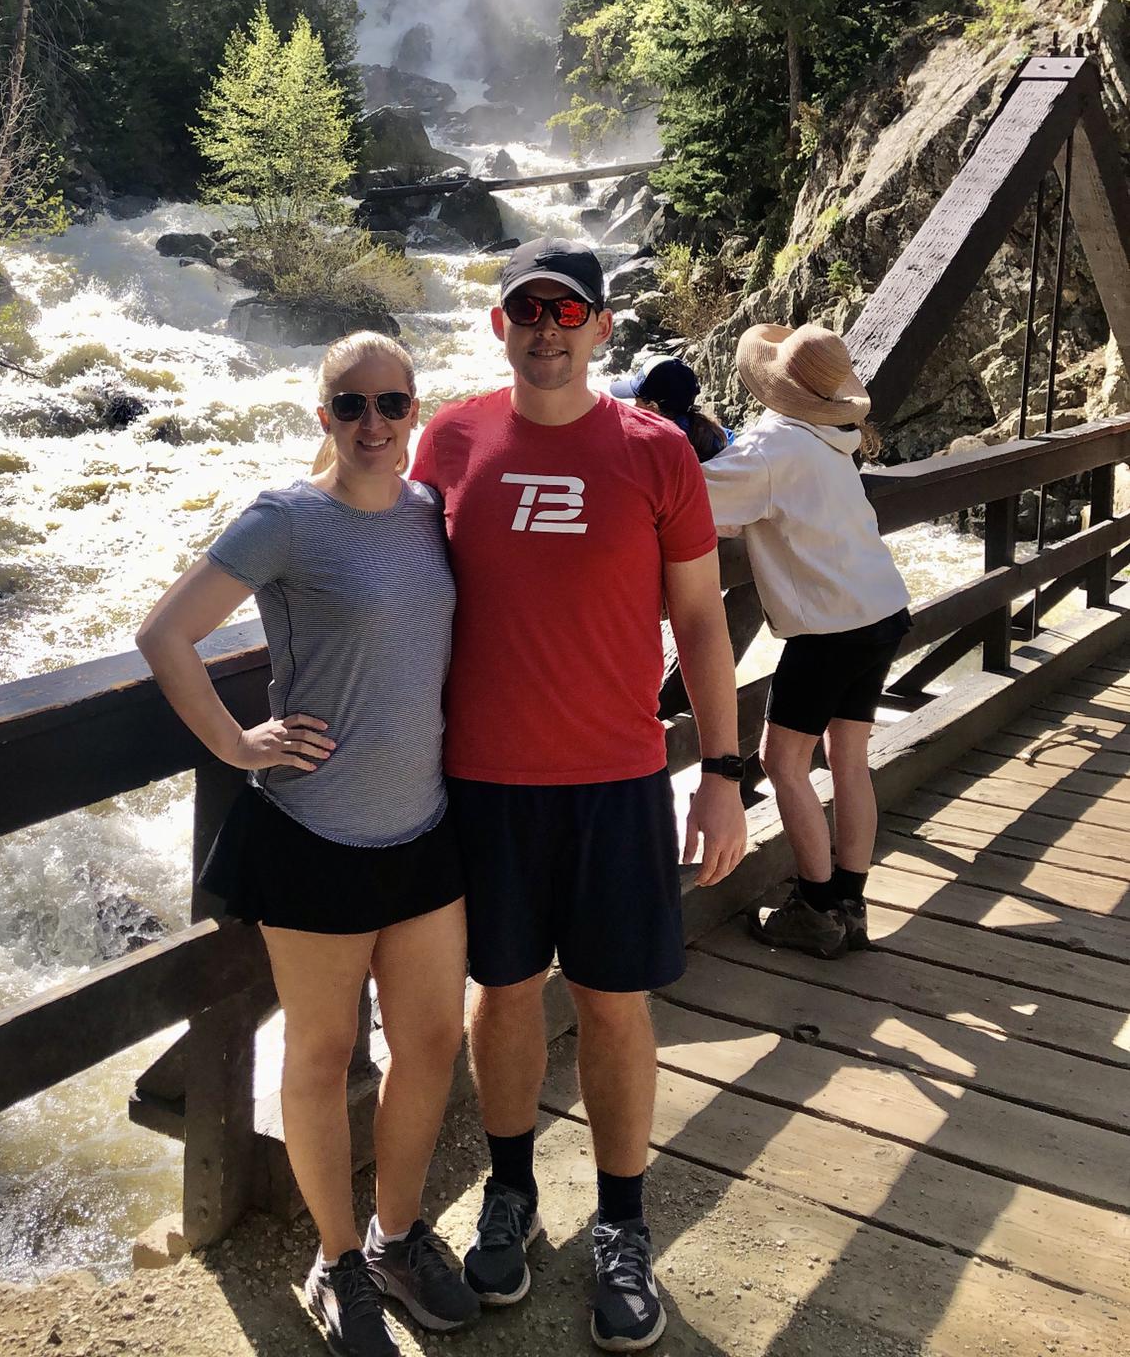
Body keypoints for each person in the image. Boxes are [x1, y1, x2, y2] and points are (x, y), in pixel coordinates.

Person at [411, 238, 748, 1354]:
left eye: (568, 310)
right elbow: (387, 573)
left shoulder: (657, 452)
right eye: (525, 310)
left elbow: (701, 621)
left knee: (613, 999)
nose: (546, 327)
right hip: (481, 781)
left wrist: (726, 777)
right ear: (497, 326)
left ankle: (622, 1220)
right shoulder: (446, 439)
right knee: (502, 988)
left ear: (604, 326)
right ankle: (511, 1190)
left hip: (618, 779)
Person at [136, 331, 479, 1357]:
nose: (373, 424)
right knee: (323, 1057)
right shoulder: (289, 517)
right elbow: (165, 632)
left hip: (423, 828)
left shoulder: (428, 512)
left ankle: (397, 1234)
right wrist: (237, 741)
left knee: (430, 1044)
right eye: (350, 405)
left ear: (416, 407)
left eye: (392, 403)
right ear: (320, 412)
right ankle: (337, 1263)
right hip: (315, 832)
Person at [701, 322, 911, 957]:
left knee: (781, 762)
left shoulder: (770, 449)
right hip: (881, 611)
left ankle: (815, 910)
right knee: (848, 759)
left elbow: (685, 497)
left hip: (829, 629)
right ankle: (851, 901)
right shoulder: (833, 439)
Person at [610, 357, 731, 463]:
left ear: (653, 407)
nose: (634, 407)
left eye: (637, 401)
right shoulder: (717, 435)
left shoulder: (650, 451)